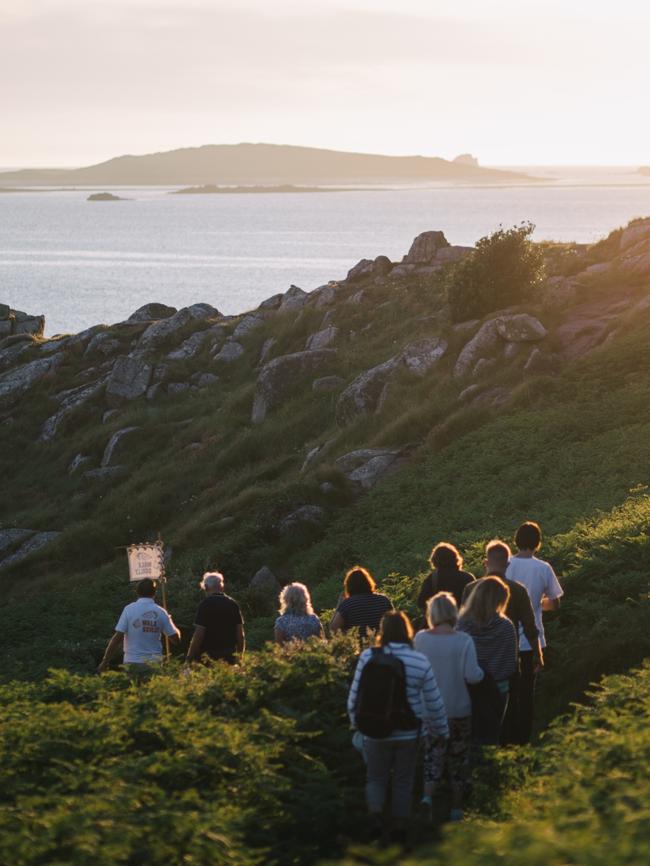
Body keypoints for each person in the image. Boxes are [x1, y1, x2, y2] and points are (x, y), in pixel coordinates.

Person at [348, 611, 448, 844]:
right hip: (409, 732)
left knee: (375, 778)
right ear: (407, 631)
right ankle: (400, 827)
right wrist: (442, 731)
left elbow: (355, 697)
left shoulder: (367, 657)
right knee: (403, 780)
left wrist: (357, 725)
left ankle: (375, 818)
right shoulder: (419, 660)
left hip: (374, 730)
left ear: (383, 631)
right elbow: (434, 701)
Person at [414, 592, 484, 821]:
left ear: (431, 613)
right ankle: (456, 809)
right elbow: (473, 676)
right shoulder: (463, 640)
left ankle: (426, 799)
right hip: (459, 708)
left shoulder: (421, 639)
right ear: (454, 613)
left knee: (432, 756)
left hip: (430, 710)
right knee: (458, 758)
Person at [506, 522, 563, 743]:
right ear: (538, 542)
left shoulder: (506, 564)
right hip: (533, 640)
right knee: (527, 691)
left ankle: (505, 737)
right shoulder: (543, 568)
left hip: (506, 638)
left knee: (508, 690)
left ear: (516, 540)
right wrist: (536, 605)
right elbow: (555, 604)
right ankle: (524, 738)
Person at [457, 576, 517, 745]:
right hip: (498, 687)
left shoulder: (461, 625)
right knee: (492, 734)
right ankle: (489, 769)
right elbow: (511, 663)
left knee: (469, 734)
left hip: (468, 687)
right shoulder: (506, 626)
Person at [97, 578, 180, 674]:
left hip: (132, 663)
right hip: (154, 664)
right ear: (154, 592)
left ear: (137, 592)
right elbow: (176, 640)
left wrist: (105, 661)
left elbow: (117, 638)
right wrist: (170, 620)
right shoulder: (161, 612)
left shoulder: (129, 609)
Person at [185, 571, 245, 665]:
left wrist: (189, 658)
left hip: (207, 658)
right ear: (222, 587)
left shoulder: (205, 605)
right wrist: (240, 658)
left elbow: (199, 635)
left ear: (206, 587)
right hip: (229, 657)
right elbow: (240, 635)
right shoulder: (233, 604)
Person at [330, 566, 393, 636]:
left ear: (348, 585)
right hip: (382, 644)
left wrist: (339, 604)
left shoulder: (347, 604)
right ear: (369, 582)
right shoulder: (383, 600)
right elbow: (395, 623)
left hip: (356, 645)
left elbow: (333, 629)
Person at [417, 542, 475, 612]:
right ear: (455, 558)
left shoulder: (432, 579)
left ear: (434, 560)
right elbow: (476, 603)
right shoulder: (467, 577)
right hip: (463, 620)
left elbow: (421, 603)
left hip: (440, 620)